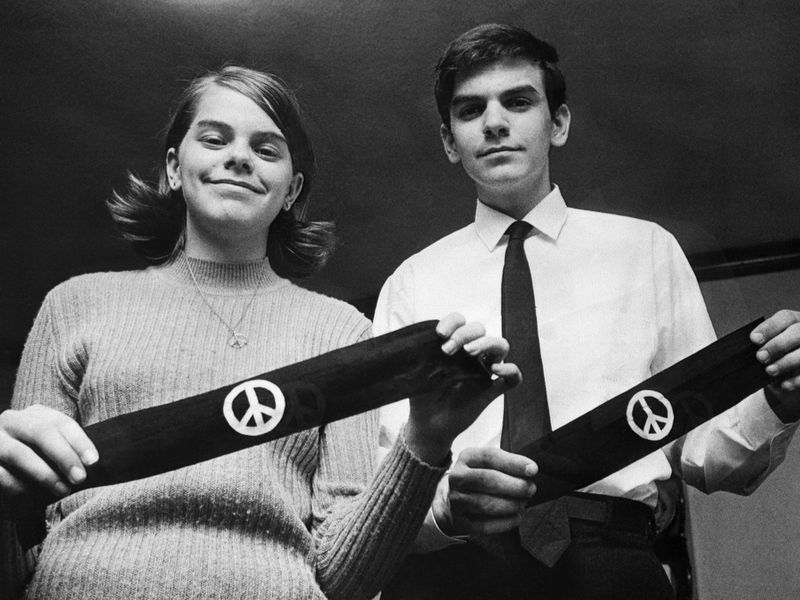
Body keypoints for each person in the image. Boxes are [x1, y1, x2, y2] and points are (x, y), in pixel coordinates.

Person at [0, 65, 521, 600]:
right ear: (175, 168)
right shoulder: (74, 305)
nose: (240, 157)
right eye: (214, 138)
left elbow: (346, 579)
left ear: (291, 190)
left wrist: (427, 439)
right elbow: (15, 556)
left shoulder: (341, 333)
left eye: (267, 149)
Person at [374, 24, 800, 599]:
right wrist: (446, 507)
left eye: (519, 101)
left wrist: (778, 403)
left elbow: (706, 451)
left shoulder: (645, 251)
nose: (495, 122)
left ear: (560, 123)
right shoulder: (411, 283)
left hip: (612, 564)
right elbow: (385, 481)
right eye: (471, 109)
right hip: (452, 569)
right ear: (450, 140)